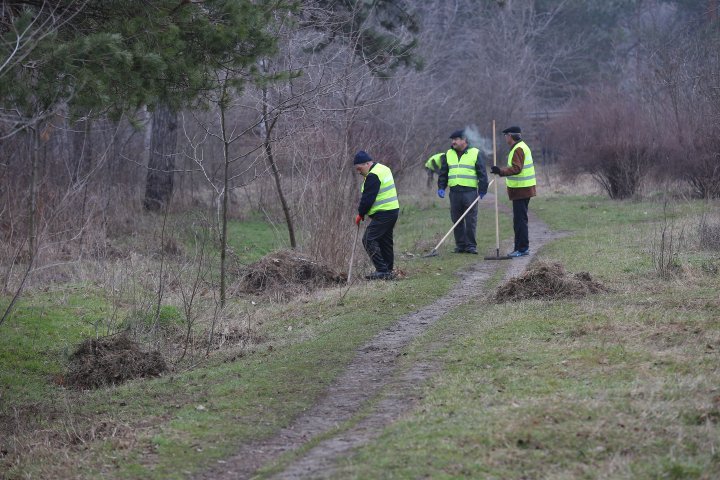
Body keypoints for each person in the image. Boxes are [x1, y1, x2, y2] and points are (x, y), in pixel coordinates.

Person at [437, 129, 489, 254]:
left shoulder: (475, 153)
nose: (453, 142)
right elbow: (443, 173)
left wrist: (482, 189)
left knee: (470, 220)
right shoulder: (448, 154)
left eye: (456, 139)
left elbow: (482, 173)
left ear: (464, 140)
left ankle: (471, 245)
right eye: (452, 140)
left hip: (470, 192)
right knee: (456, 219)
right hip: (454, 192)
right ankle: (460, 245)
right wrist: (441, 187)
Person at [490, 126, 537, 257]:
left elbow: (517, 169)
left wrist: (500, 171)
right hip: (521, 189)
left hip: (522, 189)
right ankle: (520, 248)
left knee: (520, 221)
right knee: (519, 220)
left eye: (506, 136)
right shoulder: (520, 147)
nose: (505, 138)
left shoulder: (518, 149)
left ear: (510, 136)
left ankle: (522, 249)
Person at [353, 150, 400, 280]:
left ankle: (382, 270)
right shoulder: (383, 168)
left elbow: (368, 198)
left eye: (359, 168)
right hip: (392, 211)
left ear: (367, 164)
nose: (358, 171)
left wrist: (360, 214)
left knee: (368, 239)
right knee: (385, 241)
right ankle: (388, 270)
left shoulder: (373, 175)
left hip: (384, 213)